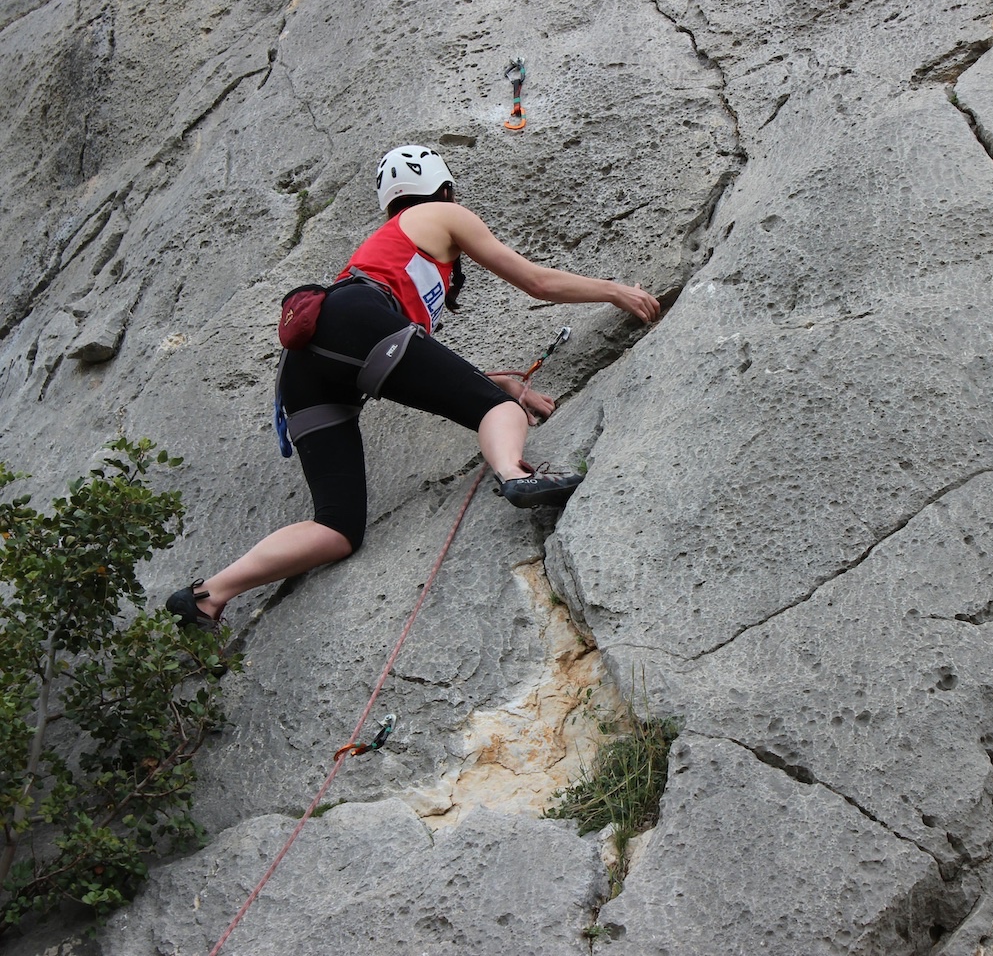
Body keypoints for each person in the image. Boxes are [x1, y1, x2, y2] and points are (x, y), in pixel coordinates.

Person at [167, 144, 659, 627]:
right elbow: (537, 283)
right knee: (499, 412)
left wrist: (493, 381)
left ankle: (208, 596)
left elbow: (414, 362)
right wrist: (615, 290)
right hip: (357, 323)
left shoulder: (389, 245)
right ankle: (516, 475)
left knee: (337, 528)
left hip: (305, 366)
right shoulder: (444, 215)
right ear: (442, 187)